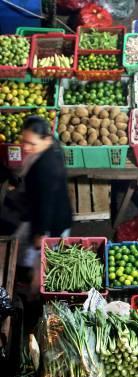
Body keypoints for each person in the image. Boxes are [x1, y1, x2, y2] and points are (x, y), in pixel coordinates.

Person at [15, 116, 72, 297]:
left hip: (51, 222)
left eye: (31, 143)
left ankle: (37, 298)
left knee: (43, 263)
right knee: (35, 258)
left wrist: (41, 233)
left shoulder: (47, 168)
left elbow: (46, 203)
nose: (25, 147)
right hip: (45, 214)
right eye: (24, 141)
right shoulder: (52, 146)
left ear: (45, 139)